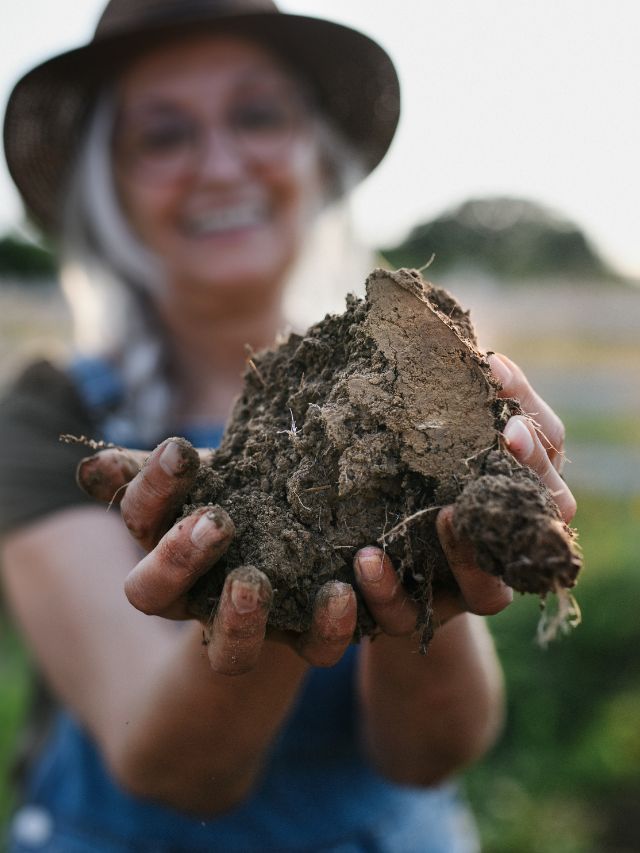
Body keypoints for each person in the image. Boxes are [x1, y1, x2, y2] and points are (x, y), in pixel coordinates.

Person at [0, 1, 576, 850]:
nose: (221, 164)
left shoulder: (410, 379)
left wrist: (451, 559)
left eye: (259, 114)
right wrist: (267, 572)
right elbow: (172, 770)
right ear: (109, 183)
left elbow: (428, 754)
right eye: (164, 135)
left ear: (316, 151)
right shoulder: (50, 418)